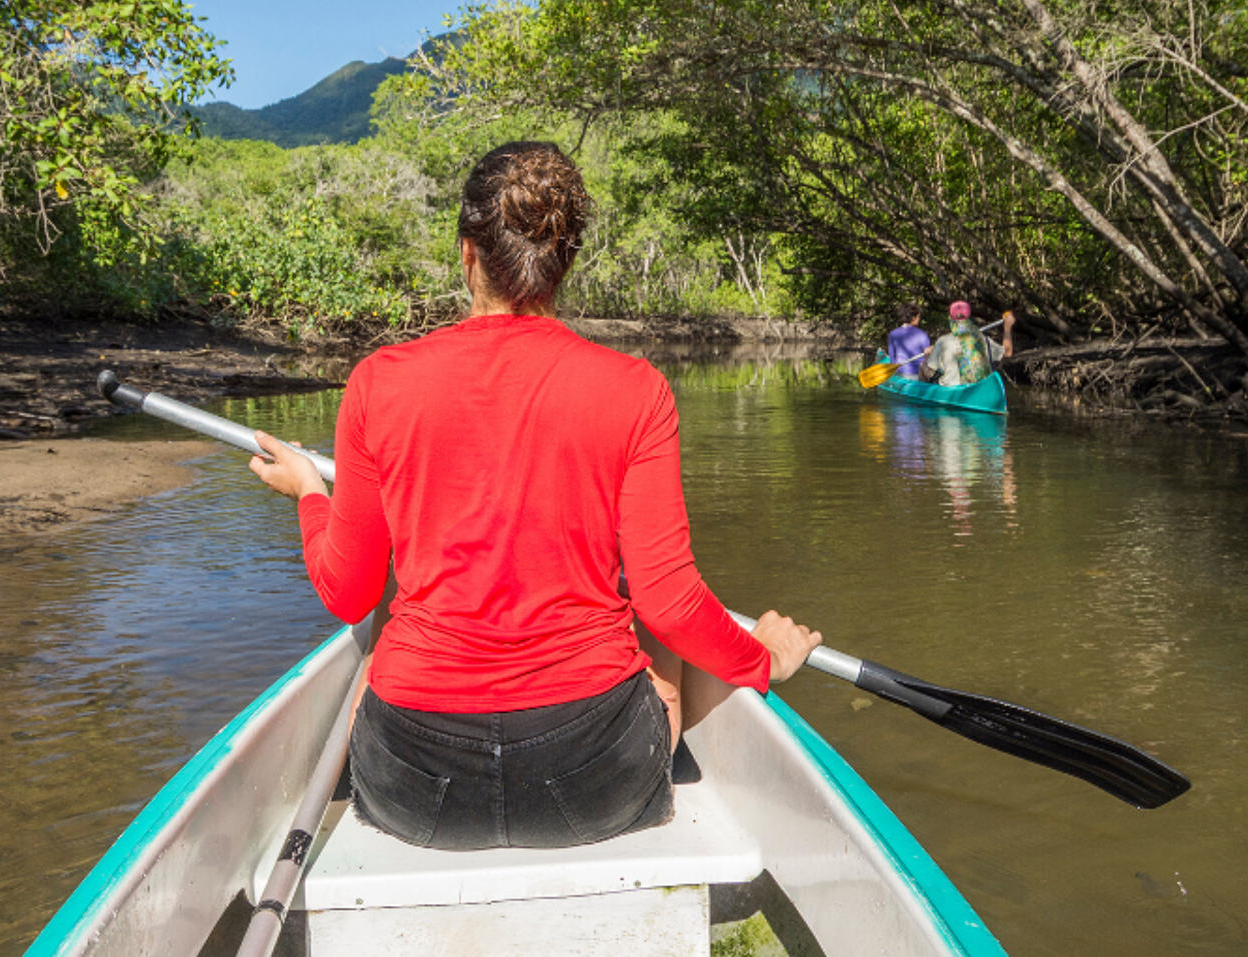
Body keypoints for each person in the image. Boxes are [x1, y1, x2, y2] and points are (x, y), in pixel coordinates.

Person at [249, 141, 821, 853]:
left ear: (467, 254)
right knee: (652, 625)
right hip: (591, 781)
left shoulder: (377, 382)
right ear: (566, 263)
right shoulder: (636, 390)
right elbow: (670, 601)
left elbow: (346, 591)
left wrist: (310, 491)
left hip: (416, 788)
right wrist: (762, 657)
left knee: (379, 647)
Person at [921, 302, 1015, 386]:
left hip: (952, 388)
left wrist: (927, 355)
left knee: (922, 366)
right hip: (978, 387)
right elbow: (1007, 352)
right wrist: (1007, 328)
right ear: (969, 316)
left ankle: (922, 395)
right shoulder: (982, 338)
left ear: (951, 318)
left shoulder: (942, 341)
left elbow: (931, 368)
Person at [885, 304, 931, 378]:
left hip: (900, 373)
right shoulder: (922, 334)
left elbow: (892, 359)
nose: (919, 319)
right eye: (918, 316)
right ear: (913, 318)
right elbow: (928, 356)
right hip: (918, 375)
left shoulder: (893, 334)